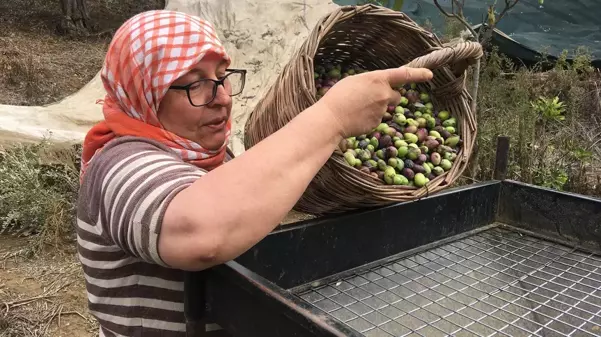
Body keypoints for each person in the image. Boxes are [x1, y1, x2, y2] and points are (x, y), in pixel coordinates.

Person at [76, 9, 433, 337]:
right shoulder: (118, 162)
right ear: (145, 93)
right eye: (194, 83)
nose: (222, 98)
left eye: (221, 76)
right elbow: (201, 232)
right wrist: (333, 118)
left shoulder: (213, 158)